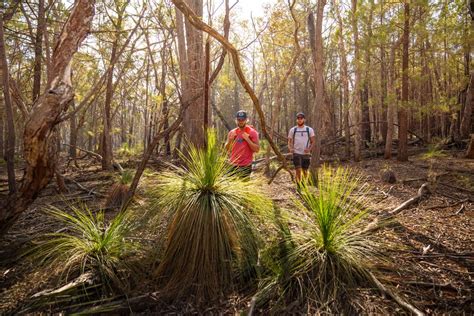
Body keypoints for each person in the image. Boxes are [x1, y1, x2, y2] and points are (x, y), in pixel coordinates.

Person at [225, 110, 260, 179]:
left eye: (243, 119)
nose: (241, 121)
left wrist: (248, 139)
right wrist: (230, 140)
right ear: (236, 120)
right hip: (233, 165)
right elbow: (227, 149)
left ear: (246, 120)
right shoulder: (232, 132)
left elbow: (257, 149)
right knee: (232, 188)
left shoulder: (252, 132)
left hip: (246, 166)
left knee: (244, 189)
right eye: (239, 119)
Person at [288, 112, 315, 183]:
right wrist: (290, 148)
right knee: (298, 169)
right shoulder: (293, 130)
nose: (300, 120)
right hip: (296, 153)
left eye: (301, 118)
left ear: (304, 119)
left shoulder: (309, 129)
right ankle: (298, 186)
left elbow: (313, 142)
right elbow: (289, 141)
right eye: (298, 118)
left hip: (306, 154)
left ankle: (303, 185)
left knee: (305, 171)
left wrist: (309, 149)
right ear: (296, 120)